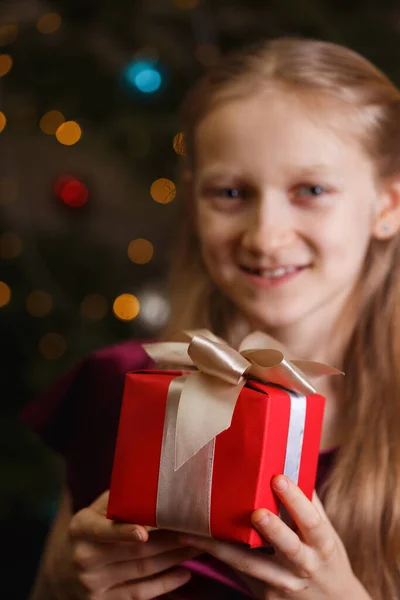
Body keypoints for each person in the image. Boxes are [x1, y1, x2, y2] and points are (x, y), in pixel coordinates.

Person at [23, 36, 400, 600]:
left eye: (312, 190)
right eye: (230, 192)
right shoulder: (119, 386)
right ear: (194, 201)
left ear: (387, 206)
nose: (265, 235)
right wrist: (73, 585)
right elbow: (54, 585)